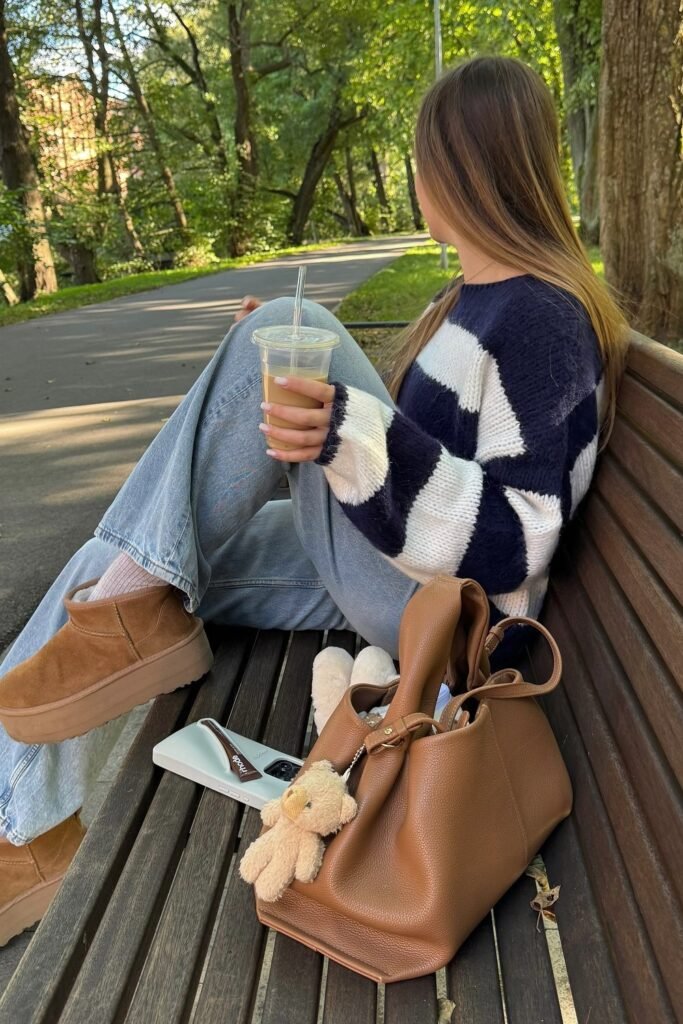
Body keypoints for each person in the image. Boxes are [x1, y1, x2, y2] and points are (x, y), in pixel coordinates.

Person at [0, 55, 627, 946]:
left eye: (422, 159)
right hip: (397, 566)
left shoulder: (541, 320)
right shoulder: (480, 298)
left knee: (150, 557)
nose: (415, 178)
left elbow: (515, 544)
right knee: (125, 563)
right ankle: (23, 824)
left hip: (445, 620)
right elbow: (430, 439)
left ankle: (113, 638)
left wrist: (345, 430)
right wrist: (313, 381)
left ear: (462, 168)